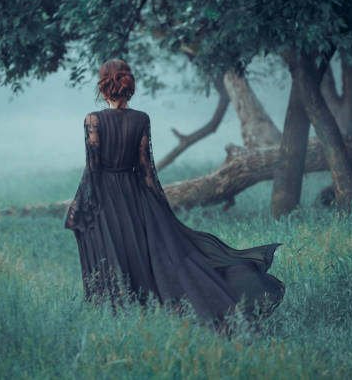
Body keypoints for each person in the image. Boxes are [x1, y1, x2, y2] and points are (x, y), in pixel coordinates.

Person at [64, 58, 285, 335]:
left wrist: (77, 206)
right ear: (128, 86)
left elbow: (93, 168)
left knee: (117, 254)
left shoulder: (93, 120)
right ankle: (156, 310)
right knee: (148, 256)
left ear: (104, 86)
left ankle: (121, 312)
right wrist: (162, 211)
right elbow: (147, 170)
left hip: (107, 200)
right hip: (137, 198)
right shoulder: (141, 119)